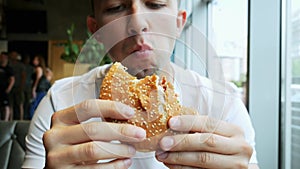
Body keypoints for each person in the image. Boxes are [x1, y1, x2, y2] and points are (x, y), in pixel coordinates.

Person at [23, 0, 259, 169]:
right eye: (116, 7)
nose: (137, 22)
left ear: (179, 23)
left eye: (155, 4)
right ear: (96, 31)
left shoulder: (223, 104)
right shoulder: (60, 104)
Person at [29, 55, 51, 119]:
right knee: (40, 106)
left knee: (33, 106)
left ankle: (32, 120)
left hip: (39, 90)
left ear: (39, 61)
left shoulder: (38, 68)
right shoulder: (44, 69)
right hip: (43, 90)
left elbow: (37, 79)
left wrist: (34, 89)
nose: (34, 61)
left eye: (35, 60)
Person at [8, 51, 26, 120]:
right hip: (10, 87)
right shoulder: (9, 65)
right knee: (10, 104)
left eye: (14, 55)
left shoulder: (21, 65)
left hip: (18, 86)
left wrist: (22, 86)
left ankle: (21, 119)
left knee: (20, 104)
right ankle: (10, 118)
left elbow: (23, 76)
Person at [0, 52, 15, 121]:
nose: (2, 59)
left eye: (3, 57)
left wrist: (9, 88)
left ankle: (6, 120)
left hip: (5, 89)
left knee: (6, 105)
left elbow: (12, 79)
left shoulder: (9, 69)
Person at [22, 54, 34, 120]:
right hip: (25, 85)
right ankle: (25, 115)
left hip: (28, 86)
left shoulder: (31, 67)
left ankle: (27, 115)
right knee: (24, 101)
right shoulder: (23, 66)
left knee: (28, 101)